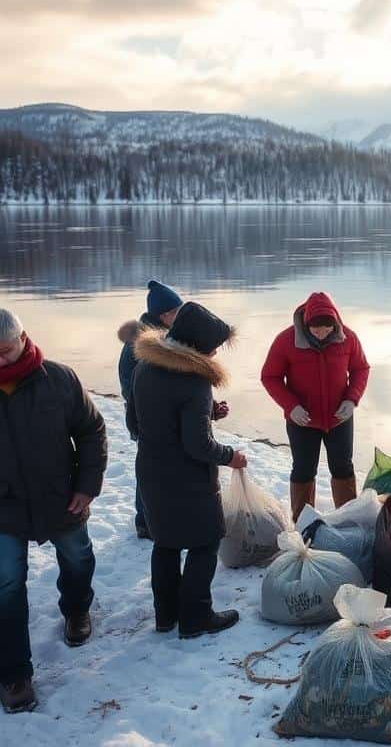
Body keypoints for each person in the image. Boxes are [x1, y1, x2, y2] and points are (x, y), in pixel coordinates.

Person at [0, 309, 107, 714]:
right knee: (6, 584)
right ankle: (14, 674)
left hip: (60, 497)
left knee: (77, 558)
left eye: (5, 352)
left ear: (24, 340)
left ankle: (77, 609)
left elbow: (92, 430)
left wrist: (86, 486)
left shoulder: (59, 379)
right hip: (4, 507)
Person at [127, 302, 246, 639]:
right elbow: (198, 446)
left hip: (151, 471)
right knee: (205, 543)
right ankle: (196, 616)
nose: (217, 350)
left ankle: (166, 616)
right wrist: (231, 456)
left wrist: (206, 414)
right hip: (188, 479)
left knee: (165, 543)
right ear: (198, 343)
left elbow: (135, 422)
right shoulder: (194, 382)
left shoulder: (144, 367)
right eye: (214, 345)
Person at [118, 280, 228, 539]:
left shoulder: (175, 341)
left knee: (157, 470)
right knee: (152, 471)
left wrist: (208, 409)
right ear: (163, 315)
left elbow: (181, 391)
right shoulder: (145, 345)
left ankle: (158, 519)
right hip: (151, 420)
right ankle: (145, 519)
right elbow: (132, 384)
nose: (179, 315)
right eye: (175, 311)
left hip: (159, 419)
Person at [261, 292, 370, 522]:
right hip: (303, 420)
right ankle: (303, 524)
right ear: (306, 323)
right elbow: (270, 376)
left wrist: (352, 399)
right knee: (303, 470)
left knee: (343, 468)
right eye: (315, 329)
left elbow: (361, 369)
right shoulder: (286, 340)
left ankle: (349, 520)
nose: (321, 333)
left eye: (326, 329)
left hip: (339, 418)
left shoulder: (348, 338)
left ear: (335, 324)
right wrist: (291, 406)